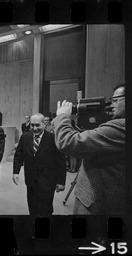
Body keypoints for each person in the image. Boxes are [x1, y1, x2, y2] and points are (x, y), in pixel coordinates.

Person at [53, 83, 128, 215]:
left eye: (116, 100)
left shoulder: (121, 127)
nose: (111, 105)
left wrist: (62, 116)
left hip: (96, 202)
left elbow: (68, 142)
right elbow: (85, 136)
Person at [13, 113, 66, 216]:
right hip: (31, 180)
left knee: (46, 209)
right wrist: (16, 172)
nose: (34, 128)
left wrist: (61, 181)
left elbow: (60, 161)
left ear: (44, 124)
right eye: (32, 125)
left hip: (48, 181)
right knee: (32, 208)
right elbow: (18, 155)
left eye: (37, 125)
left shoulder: (53, 138)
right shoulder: (25, 137)